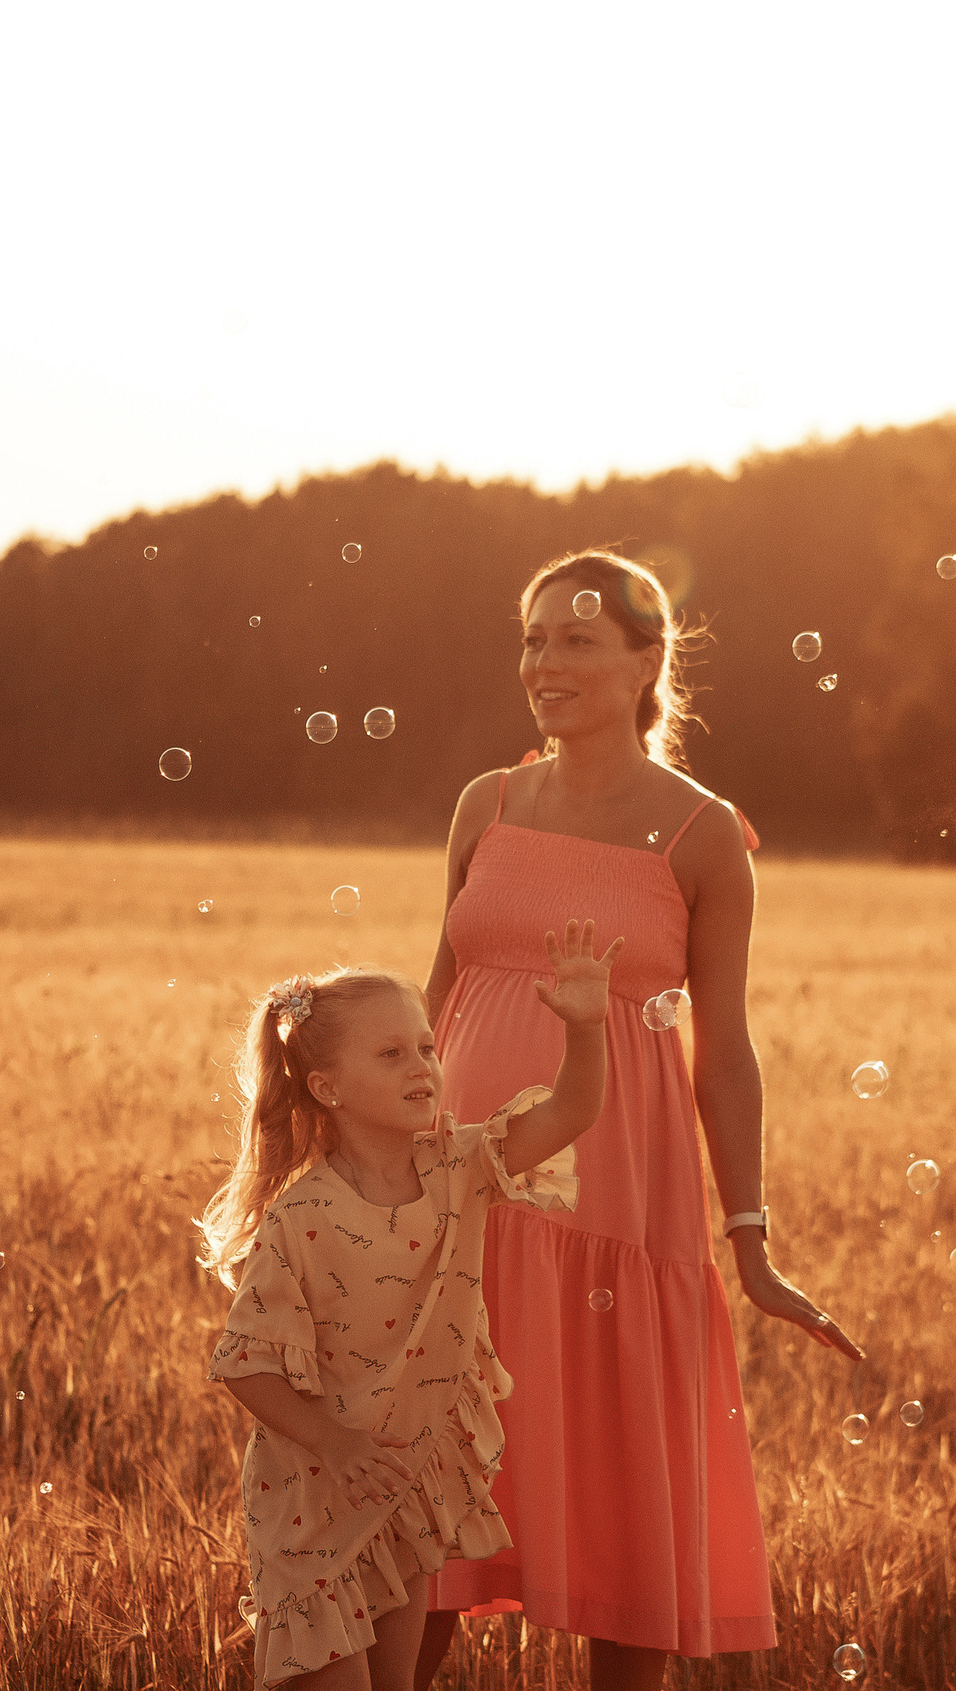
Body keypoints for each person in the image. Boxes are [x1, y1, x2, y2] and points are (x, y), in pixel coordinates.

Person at [414, 549, 865, 1691]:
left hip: (619, 1210)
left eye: (575, 639)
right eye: (532, 640)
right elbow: (435, 998)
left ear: (646, 661)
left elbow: (726, 1049)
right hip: (463, 1201)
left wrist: (750, 1240)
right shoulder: (486, 803)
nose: (544, 663)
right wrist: (372, 1165)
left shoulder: (702, 835)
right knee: (418, 1533)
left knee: (625, 1508)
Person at [200, 924, 622, 1689]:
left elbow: (570, 1111)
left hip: (400, 1492)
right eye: (392, 1053)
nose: (422, 1066)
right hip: (314, 1506)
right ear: (327, 1087)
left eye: (427, 1047)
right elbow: (244, 1365)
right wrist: (335, 1443)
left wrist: (587, 1025)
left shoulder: (461, 1164)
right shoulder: (302, 1218)